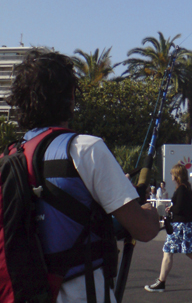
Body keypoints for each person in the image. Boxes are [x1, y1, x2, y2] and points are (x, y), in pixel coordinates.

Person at [8, 49, 160, 303]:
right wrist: (151, 213)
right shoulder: (84, 148)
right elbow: (143, 230)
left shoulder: (11, 155)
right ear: (69, 96)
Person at [145, 163, 192, 293]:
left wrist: (172, 208)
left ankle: (161, 282)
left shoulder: (181, 190)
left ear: (177, 176)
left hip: (180, 226)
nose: (171, 175)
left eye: (172, 173)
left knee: (168, 251)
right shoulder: (185, 189)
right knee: (191, 252)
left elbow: (179, 209)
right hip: (187, 226)